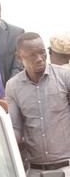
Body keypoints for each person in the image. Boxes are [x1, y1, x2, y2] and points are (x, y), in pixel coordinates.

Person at [6, 32, 70, 176]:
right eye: (32, 55)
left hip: (67, 167)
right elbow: (15, 129)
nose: (40, 59)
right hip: (36, 170)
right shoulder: (13, 86)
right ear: (19, 57)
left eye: (42, 53)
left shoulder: (65, 77)